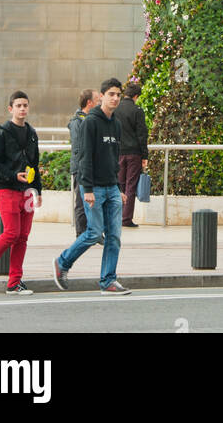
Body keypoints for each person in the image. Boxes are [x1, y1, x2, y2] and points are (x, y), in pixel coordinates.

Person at [53, 78, 131, 295]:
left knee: (114, 236)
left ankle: (108, 281)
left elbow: (114, 158)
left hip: (112, 188)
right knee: (94, 232)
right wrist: (86, 189)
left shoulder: (116, 124)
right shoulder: (90, 122)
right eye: (111, 94)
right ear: (102, 97)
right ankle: (62, 262)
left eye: (118, 94)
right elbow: (84, 157)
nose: (115, 98)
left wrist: (119, 187)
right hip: (94, 188)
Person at [0, 91, 42, 296]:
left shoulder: (31, 133)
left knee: (23, 237)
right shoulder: (2, 132)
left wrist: (37, 190)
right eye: (19, 105)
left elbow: (34, 164)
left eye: (25, 105)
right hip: (7, 188)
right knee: (11, 232)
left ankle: (14, 282)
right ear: (10, 109)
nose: (22, 109)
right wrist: (14, 176)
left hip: (27, 190)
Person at [68, 89, 102, 237]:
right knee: (82, 202)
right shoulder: (77, 122)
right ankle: (81, 232)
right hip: (82, 168)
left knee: (97, 200)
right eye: (97, 99)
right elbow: (79, 147)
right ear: (89, 102)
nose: (100, 102)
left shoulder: (95, 120)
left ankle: (95, 232)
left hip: (95, 167)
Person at [117, 81, 148, 228]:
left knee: (119, 184)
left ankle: (117, 216)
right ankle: (126, 218)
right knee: (130, 185)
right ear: (136, 96)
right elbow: (142, 134)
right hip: (134, 153)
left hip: (118, 152)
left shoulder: (116, 108)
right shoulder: (137, 110)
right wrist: (145, 156)